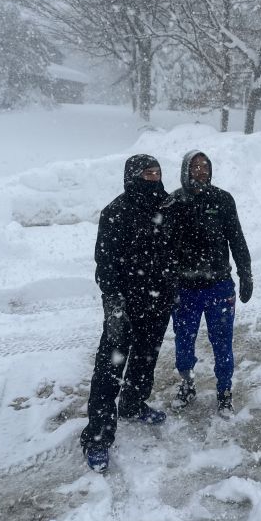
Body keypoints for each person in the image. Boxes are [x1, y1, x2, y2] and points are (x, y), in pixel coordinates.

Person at [80, 154, 174, 473]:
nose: (153, 177)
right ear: (132, 175)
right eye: (147, 172)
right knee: (110, 368)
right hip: (126, 304)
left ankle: (133, 405)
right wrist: (115, 304)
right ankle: (98, 437)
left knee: (145, 360)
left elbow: (181, 248)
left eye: (157, 172)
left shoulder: (169, 206)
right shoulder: (116, 211)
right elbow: (104, 264)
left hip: (159, 301)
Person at [161, 150, 253, 418]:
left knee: (222, 343)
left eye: (205, 166)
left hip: (219, 287)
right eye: (195, 167)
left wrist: (245, 272)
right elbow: (164, 247)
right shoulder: (174, 202)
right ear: (185, 170)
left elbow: (236, 238)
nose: (201, 171)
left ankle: (224, 392)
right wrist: (166, 281)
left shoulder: (223, 200)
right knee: (184, 343)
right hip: (185, 290)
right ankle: (187, 384)